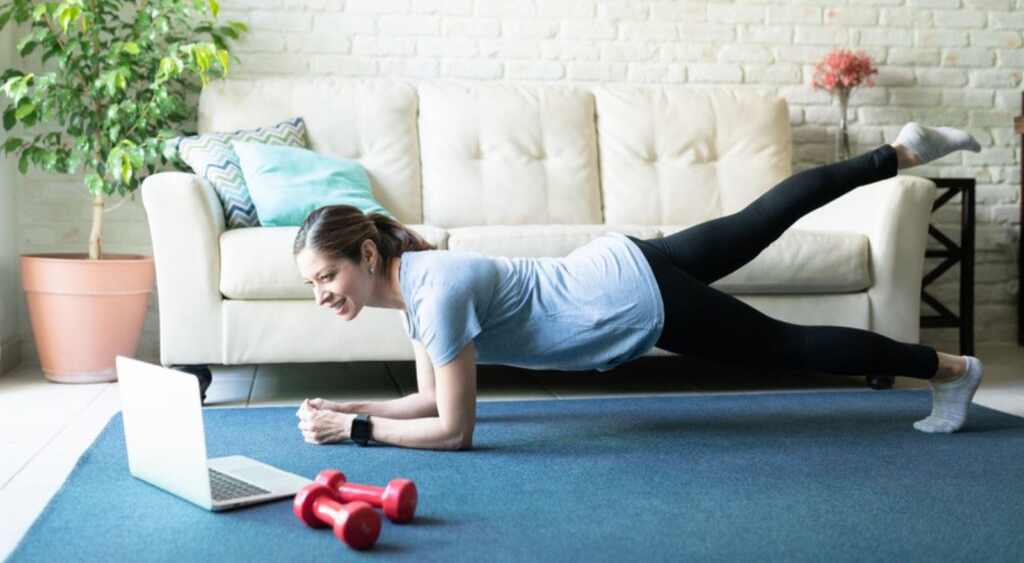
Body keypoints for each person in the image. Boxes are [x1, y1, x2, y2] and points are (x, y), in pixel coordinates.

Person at [294, 122, 984, 451]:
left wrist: (355, 429)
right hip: (618, 264)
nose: (322, 293)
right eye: (312, 284)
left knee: (790, 346)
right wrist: (350, 405)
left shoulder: (434, 294)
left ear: (366, 254)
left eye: (328, 275)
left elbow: (455, 430)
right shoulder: (416, 289)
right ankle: (899, 150)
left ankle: (950, 370)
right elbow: (428, 400)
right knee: (761, 219)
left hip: (626, 302)